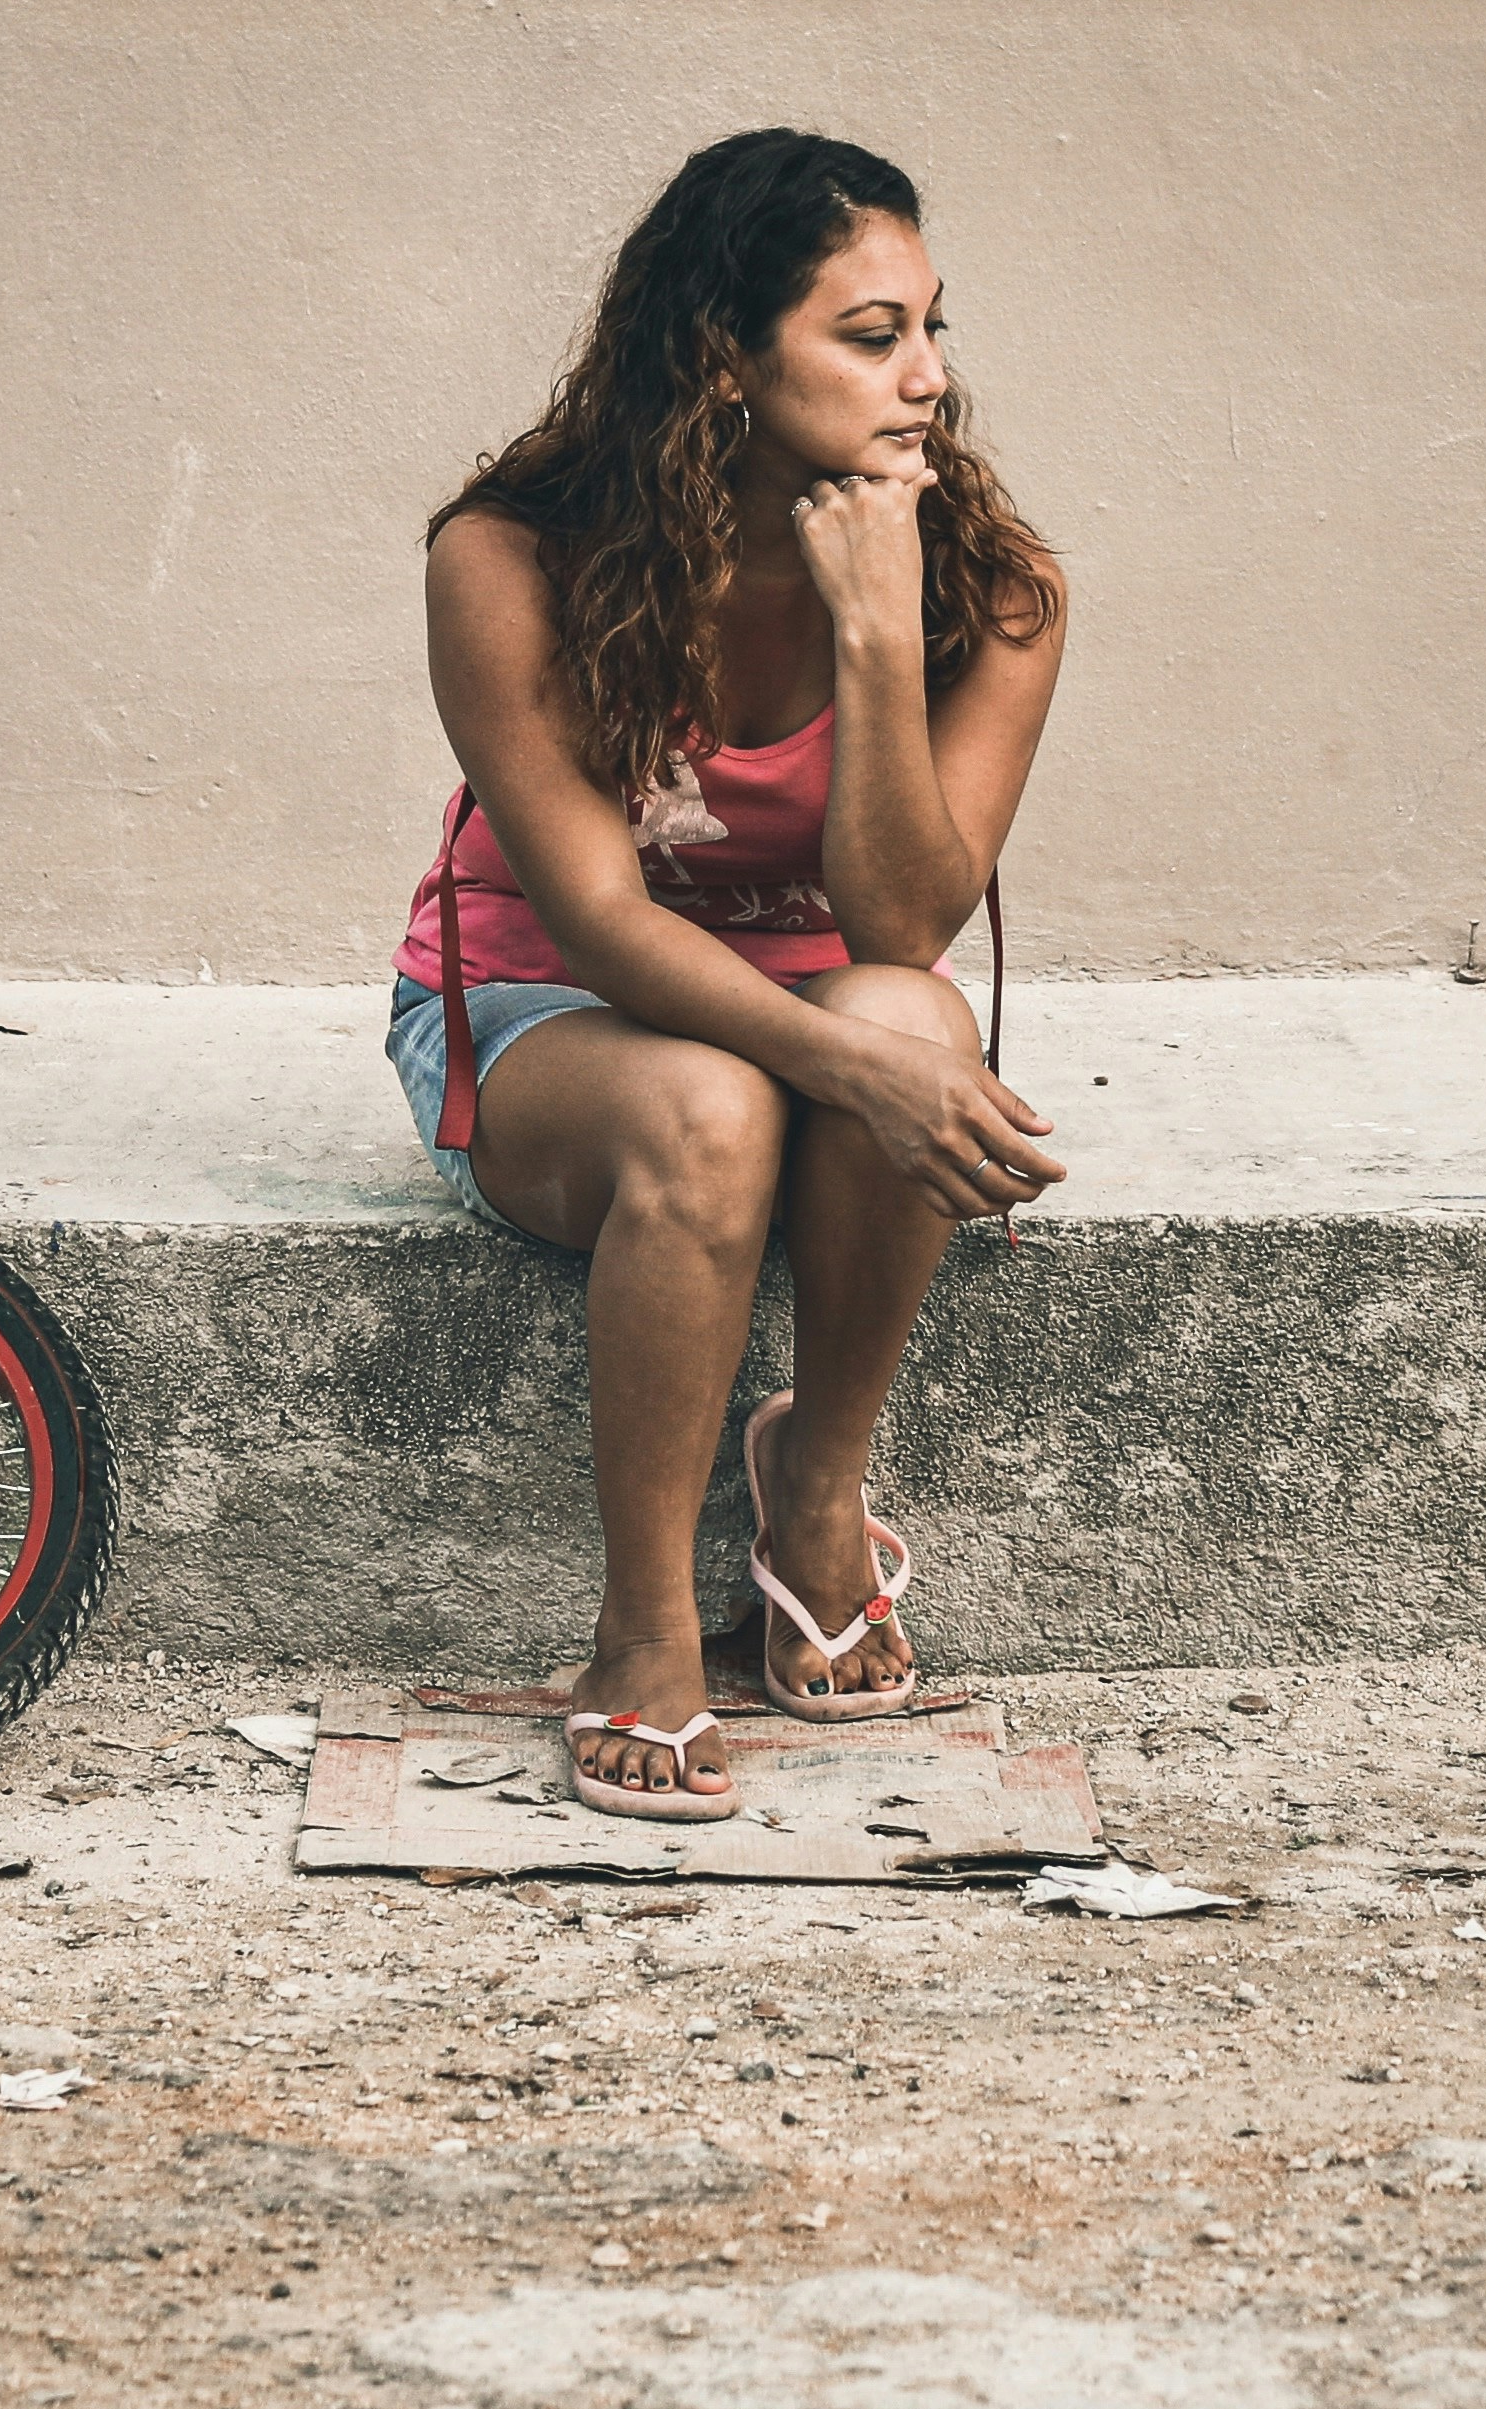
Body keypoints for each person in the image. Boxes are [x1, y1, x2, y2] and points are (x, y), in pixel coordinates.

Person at [391, 128, 1073, 1824]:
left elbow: (903, 931)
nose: (926, 379)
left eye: (933, 330)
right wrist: (847, 1068)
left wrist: (871, 631)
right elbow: (605, 920)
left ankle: (816, 1486)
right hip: (548, 1014)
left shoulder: (991, 587)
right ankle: (641, 1635)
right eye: (869, 336)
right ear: (723, 349)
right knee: (719, 1103)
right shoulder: (511, 556)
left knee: (910, 1015)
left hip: (818, 1002)